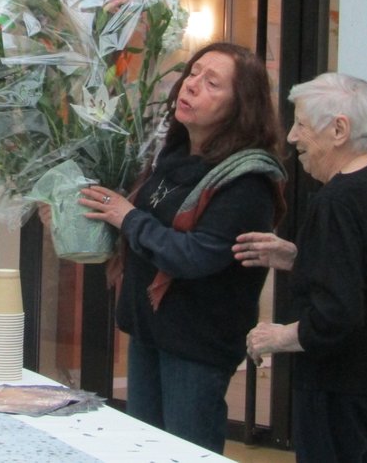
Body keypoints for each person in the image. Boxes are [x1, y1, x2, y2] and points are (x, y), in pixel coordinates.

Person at [77, 42, 287, 453]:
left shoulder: (248, 181)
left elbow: (196, 255)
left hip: (196, 345)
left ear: (239, 106)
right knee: (144, 450)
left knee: (185, 453)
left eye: (211, 83)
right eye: (193, 73)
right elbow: (140, 229)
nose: (191, 86)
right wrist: (77, 215)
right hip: (150, 331)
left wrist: (127, 217)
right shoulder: (171, 154)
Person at [233, 72, 367, 462]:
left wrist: (274, 337)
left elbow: (335, 317)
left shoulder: (338, 201)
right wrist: (299, 257)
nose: (291, 138)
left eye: (301, 125)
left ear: (339, 129)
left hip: (344, 382)